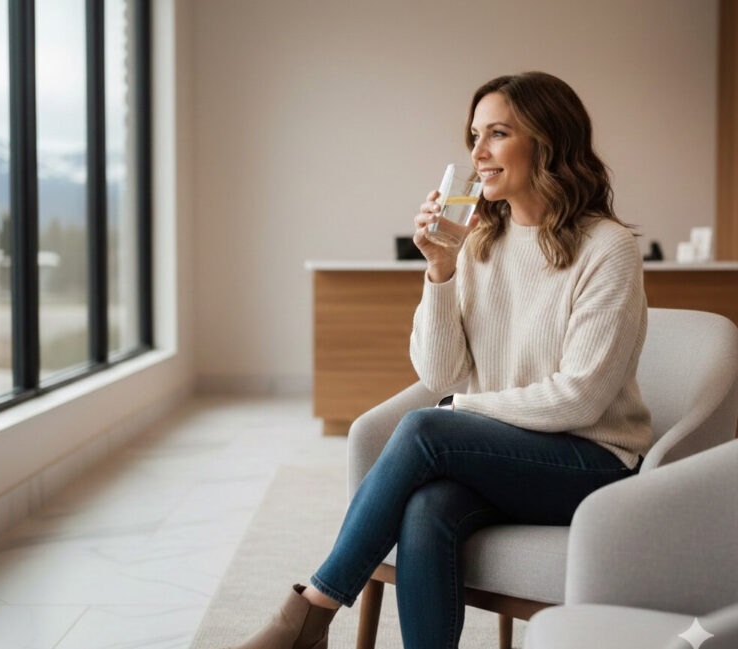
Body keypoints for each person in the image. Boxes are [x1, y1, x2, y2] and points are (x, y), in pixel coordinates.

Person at [228, 71, 652, 649]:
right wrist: (441, 268)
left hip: (595, 465)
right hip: (511, 455)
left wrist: (464, 411)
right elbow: (438, 373)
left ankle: (310, 616)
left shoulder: (608, 249)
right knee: (428, 508)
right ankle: (316, 626)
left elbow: (580, 396)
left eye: (497, 134)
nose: (477, 153)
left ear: (548, 141)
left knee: (429, 426)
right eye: (474, 135)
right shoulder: (480, 242)